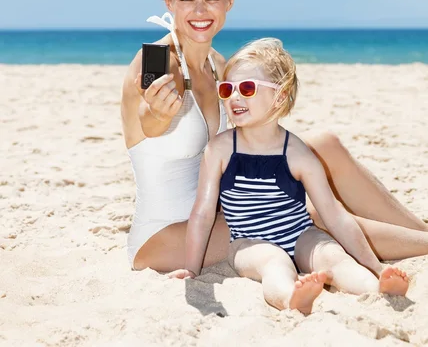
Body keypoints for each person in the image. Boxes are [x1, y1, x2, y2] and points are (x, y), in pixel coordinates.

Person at [121, 0, 428, 273]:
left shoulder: (220, 66)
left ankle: (419, 233)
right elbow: (147, 117)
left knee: (325, 146)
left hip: (227, 205)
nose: (200, 11)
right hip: (167, 235)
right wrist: (158, 115)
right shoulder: (155, 62)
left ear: (230, 0)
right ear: (168, 1)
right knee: (302, 216)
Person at [168, 38, 410, 313]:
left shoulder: (297, 153)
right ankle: (289, 297)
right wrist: (191, 268)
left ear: (280, 97)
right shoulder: (219, 150)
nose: (235, 97)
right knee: (274, 261)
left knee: (332, 256)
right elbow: (202, 213)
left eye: (247, 88)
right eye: (227, 89)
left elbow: (334, 215)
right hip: (248, 242)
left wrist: (376, 266)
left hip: (298, 233)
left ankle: (376, 286)